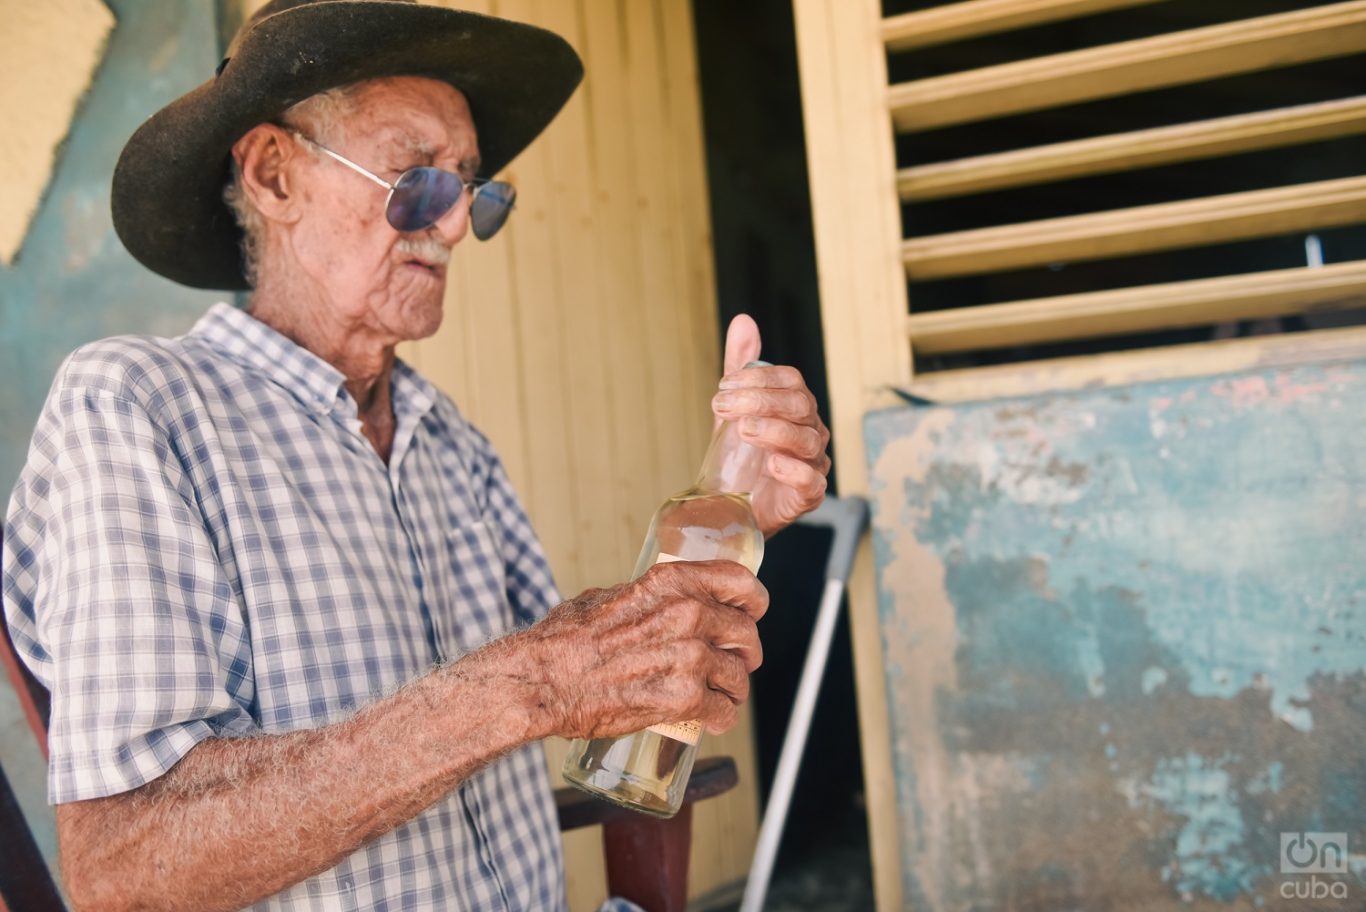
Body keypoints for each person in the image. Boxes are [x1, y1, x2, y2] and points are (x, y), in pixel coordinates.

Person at [1, 1, 830, 910]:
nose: (451, 225)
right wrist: (531, 683)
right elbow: (124, 868)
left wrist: (729, 501)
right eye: (417, 181)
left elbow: (603, 692)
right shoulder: (140, 408)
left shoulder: (449, 441)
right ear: (276, 177)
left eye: (472, 190)